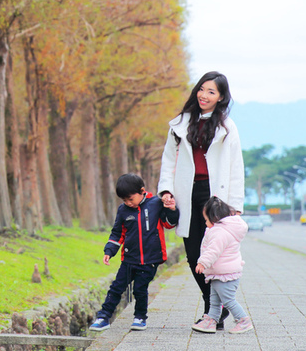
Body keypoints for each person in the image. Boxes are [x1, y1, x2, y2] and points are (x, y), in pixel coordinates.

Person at [157, 71, 245, 329]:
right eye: (201, 89)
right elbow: (168, 160)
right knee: (194, 254)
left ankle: (212, 313)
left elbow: (236, 166)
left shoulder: (227, 127)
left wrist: (235, 205)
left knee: (215, 255)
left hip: (215, 196)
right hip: (187, 192)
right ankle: (215, 308)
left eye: (211, 92)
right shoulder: (180, 124)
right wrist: (166, 190)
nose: (204, 95)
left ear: (221, 97)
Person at [89, 173, 179, 332]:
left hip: (150, 260)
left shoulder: (156, 204)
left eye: (130, 199)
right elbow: (117, 233)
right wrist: (109, 250)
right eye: (124, 200)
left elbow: (169, 224)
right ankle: (103, 317)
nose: (128, 203)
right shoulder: (123, 210)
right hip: (129, 260)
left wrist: (172, 209)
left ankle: (140, 317)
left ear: (142, 191)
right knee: (116, 288)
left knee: (139, 289)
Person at [192, 196, 254, 334]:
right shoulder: (221, 230)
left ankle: (243, 321)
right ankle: (211, 321)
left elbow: (213, 250)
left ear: (214, 218)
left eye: (206, 220)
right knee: (215, 301)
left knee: (228, 301)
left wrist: (202, 263)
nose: (205, 223)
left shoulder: (220, 232)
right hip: (219, 273)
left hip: (225, 275)